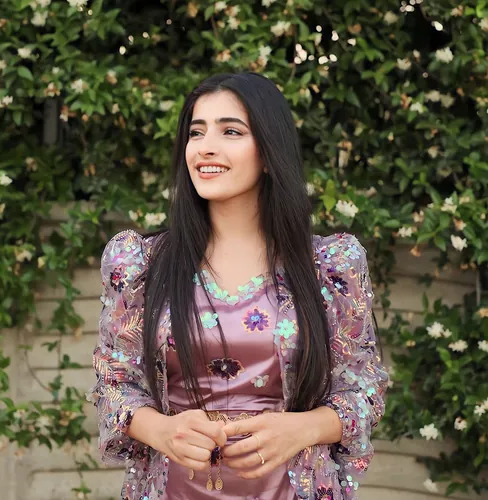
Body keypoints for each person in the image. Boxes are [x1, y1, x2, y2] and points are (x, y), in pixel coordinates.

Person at [87, 72, 388, 500]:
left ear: (269, 151)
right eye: (196, 132)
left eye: (230, 131)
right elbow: (113, 383)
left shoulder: (330, 266)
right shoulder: (140, 263)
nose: (205, 147)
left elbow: (364, 387)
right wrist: (162, 431)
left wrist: (303, 429)